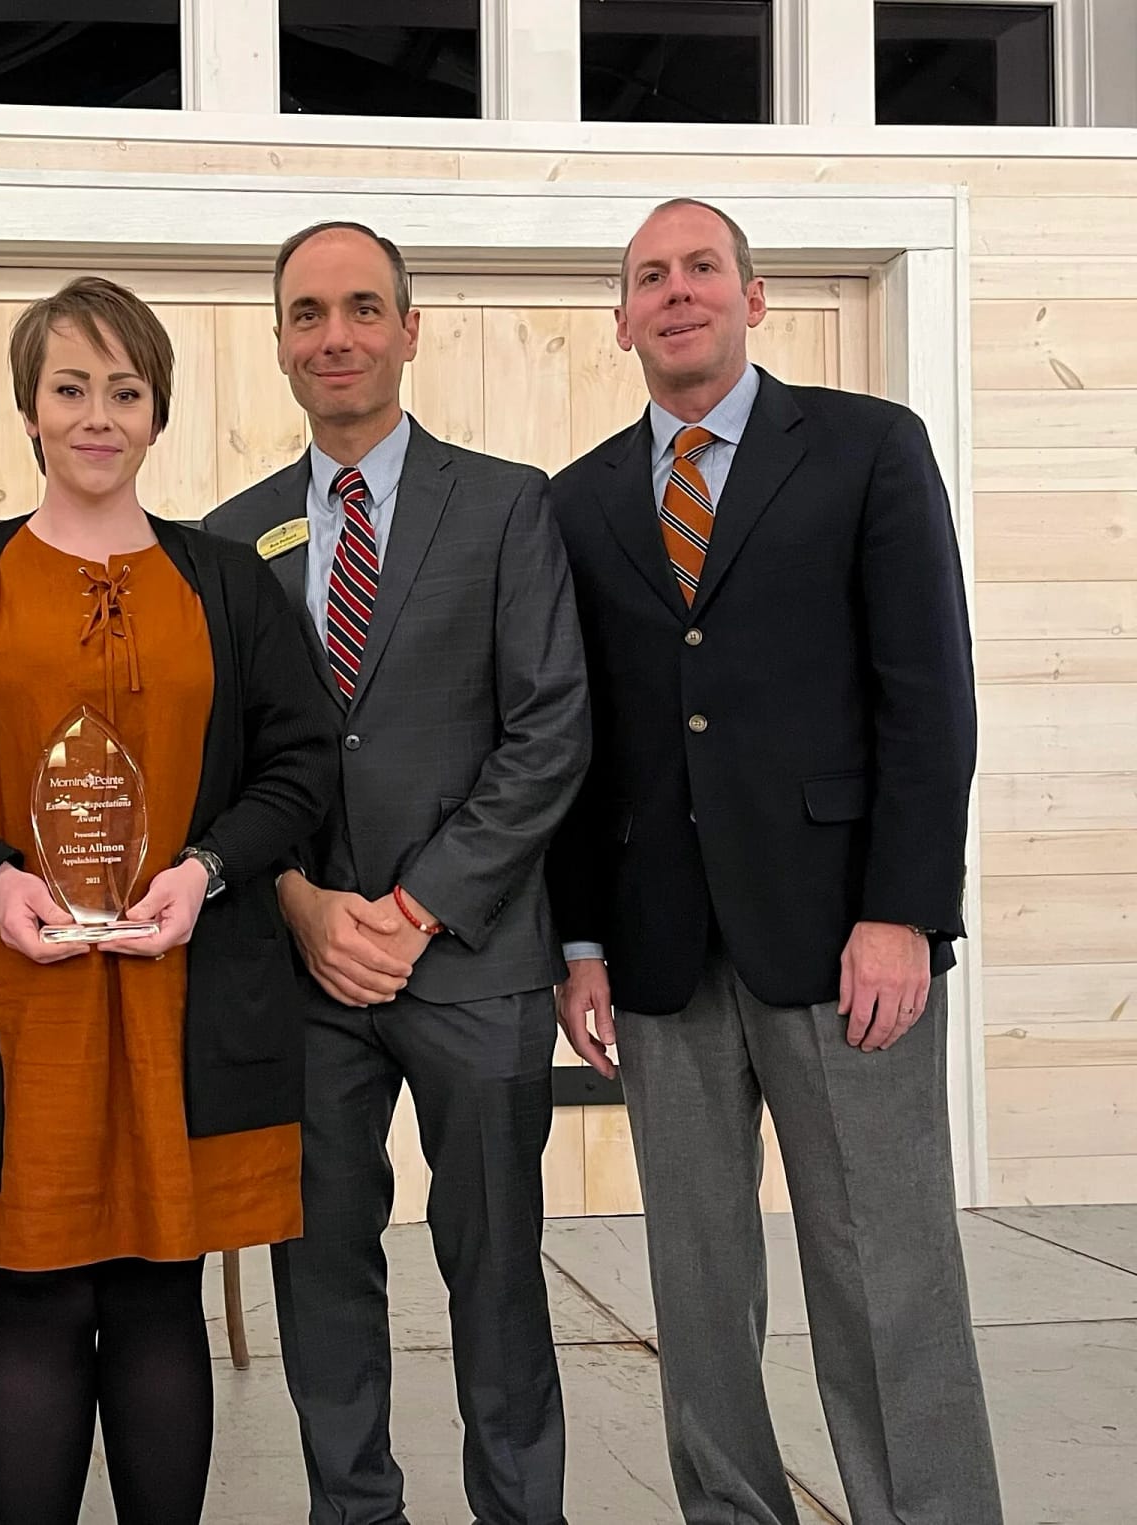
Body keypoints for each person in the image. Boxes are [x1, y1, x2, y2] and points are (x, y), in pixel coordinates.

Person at [548, 197, 1002, 1525]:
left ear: (753, 298)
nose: (677, 291)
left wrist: (904, 911)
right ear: (623, 320)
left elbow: (929, 694)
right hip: (660, 950)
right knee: (696, 1280)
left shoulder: (867, 449)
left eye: (703, 267)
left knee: (886, 1269)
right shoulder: (578, 502)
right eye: (650, 276)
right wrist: (580, 938)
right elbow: (578, 738)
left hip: (843, 941)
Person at [0, 276, 335, 1525]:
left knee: (156, 1290)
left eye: (124, 391)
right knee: (29, 1290)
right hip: (10, 1007)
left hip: (187, 996)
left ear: (157, 413)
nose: (97, 415)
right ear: (28, 408)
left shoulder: (228, 584)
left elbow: (301, 765)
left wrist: (205, 870)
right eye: (69, 388)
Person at [206, 222, 589, 1525]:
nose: (337, 336)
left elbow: (550, 730)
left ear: (410, 330)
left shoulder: (507, 505)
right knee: (318, 1266)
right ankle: (353, 1507)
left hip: (472, 958)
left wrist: (418, 907)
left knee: (498, 1272)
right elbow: (225, 764)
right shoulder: (234, 539)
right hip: (305, 971)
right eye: (308, 314)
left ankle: (520, 1509)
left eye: (364, 308)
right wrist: (299, 903)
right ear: (279, 343)